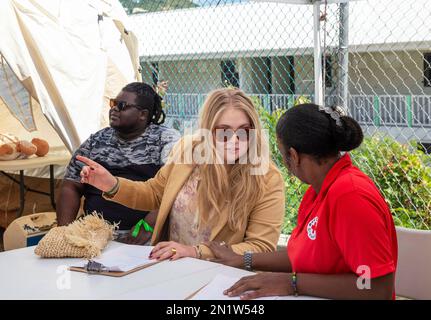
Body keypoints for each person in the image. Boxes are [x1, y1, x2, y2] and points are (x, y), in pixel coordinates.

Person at [206, 103, 398, 300]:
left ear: (294, 156)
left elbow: (376, 287)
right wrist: (243, 260)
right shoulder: (319, 191)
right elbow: (302, 254)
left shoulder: (350, 196)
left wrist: (292, 283)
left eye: (283, 156)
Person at [76, 87, 285, 261]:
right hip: (172, 268)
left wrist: (196, 252)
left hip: (224, 279)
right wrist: (112, 184)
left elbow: (261, 247)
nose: (234, 140)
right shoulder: (188, 150)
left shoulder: (266, 177)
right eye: (223, 131)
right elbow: (154, 194)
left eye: (244, 131)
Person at [56, 82, 180, 245]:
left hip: (143, 234)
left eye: (121, 105)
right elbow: (70, 185)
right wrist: (65, 232)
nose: (114, 109)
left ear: (143, 114)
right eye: (113, 104)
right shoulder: (96, 140)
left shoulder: (165, 140)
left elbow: (175, 188)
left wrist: (149, 224)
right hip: (94, 232)